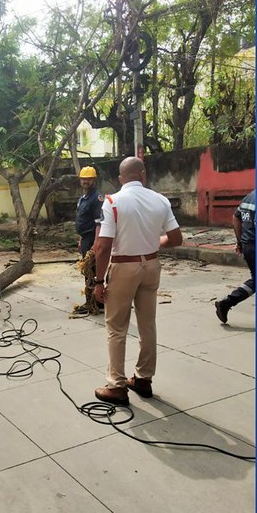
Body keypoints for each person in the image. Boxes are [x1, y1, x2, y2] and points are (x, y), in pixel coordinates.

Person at [91, 156, 183, 406]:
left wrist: (98, 281)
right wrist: (155, 244)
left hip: (123, 267)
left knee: (116, 327)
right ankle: (143, 379)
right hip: (151, 266)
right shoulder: (160, 200)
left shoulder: (113, 201)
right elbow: (176, 238)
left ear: (121, 179)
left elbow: (103, 246)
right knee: (147, 324)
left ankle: (117, 386)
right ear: (143, 175)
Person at [215, 190, 255, 324]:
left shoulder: (250, 197)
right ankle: (227, 302)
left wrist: (240, 241)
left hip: (248, 245)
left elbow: (236, 217)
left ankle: (227, 303)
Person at [73, 166, 105, 315]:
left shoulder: (97, 198)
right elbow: (83, 220)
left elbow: (99, 222)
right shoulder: (83, 198)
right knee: (88, 270)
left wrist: (96, 243)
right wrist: (81, 240)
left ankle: (92, 303)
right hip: (85, 238)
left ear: (94, 179)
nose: (86, 181)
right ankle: (97, 302)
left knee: (91, 271)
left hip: (93, 238)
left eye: (89, 178)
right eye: (83, 178)